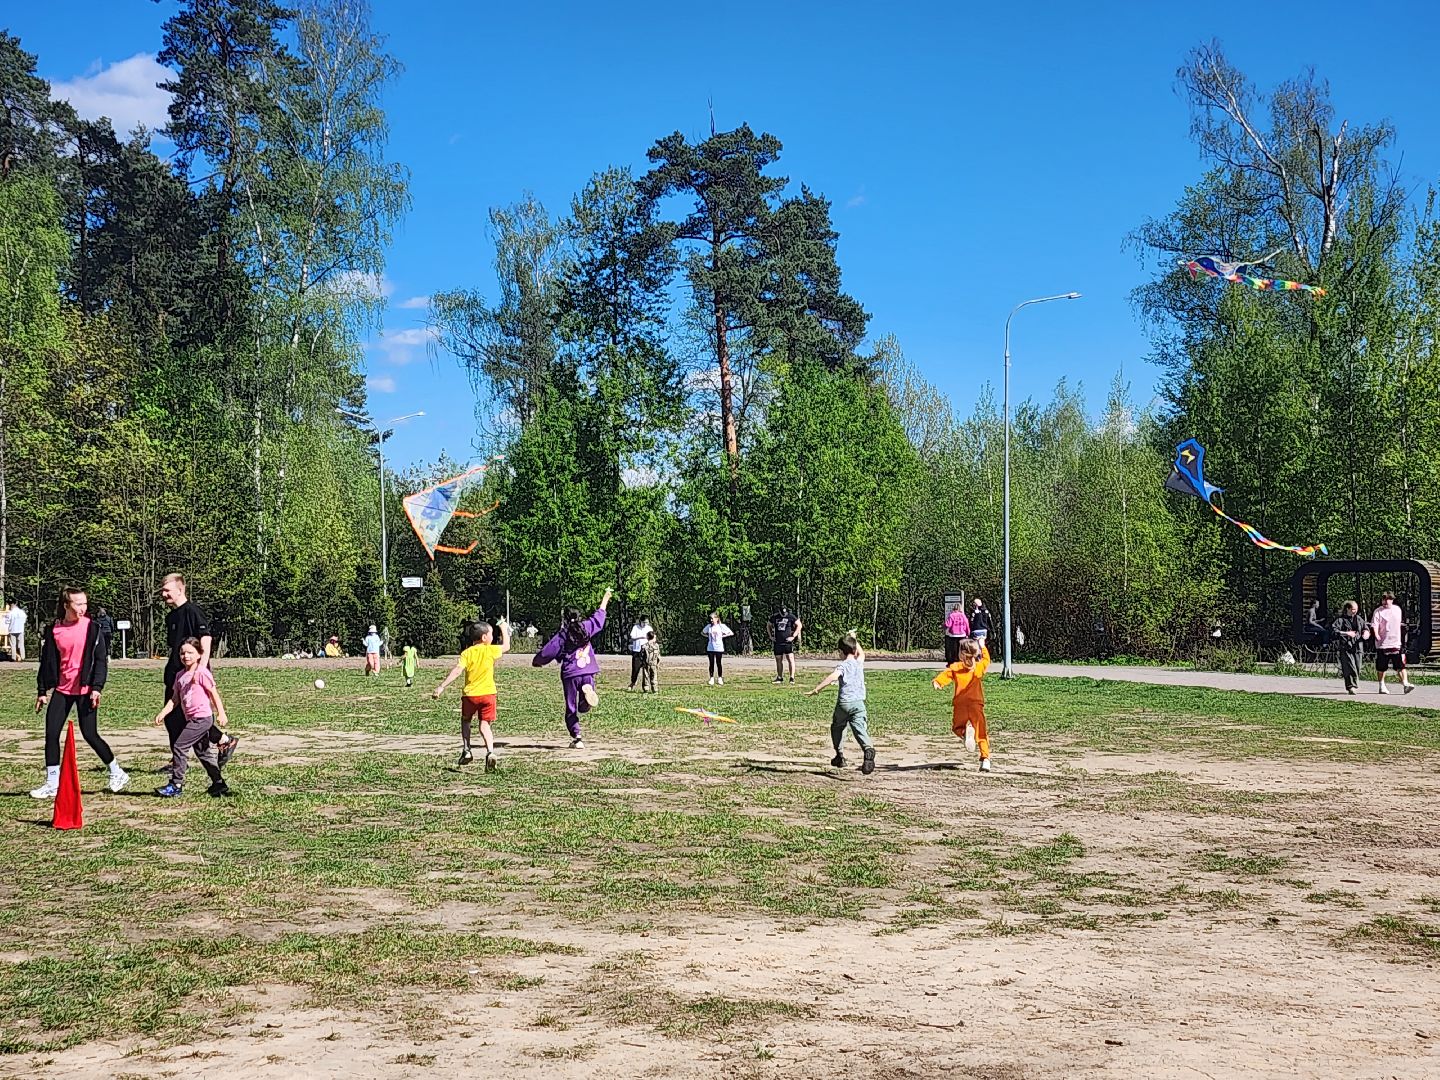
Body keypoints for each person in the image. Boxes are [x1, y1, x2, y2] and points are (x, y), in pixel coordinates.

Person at [31, 587, 129, 798]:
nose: (83, 608)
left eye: (85, 603)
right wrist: (41, 690)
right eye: (78, 604)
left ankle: (117, 771)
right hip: (62, 689)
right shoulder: (54, 629)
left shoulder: (92, 629)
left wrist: (97, 689)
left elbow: (101, 661)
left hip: (85, 690)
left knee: (90, 734)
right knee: (51, 734)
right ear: (66, 605)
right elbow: (46, 662)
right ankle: (52, 782)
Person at [160, 574, 237, 769]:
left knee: (194, 716)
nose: (163, 594)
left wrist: (200, 669)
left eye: (167, 590)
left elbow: (206, 639)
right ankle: (221, 741)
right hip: (177, 674)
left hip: (193, 676)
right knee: (174, 718)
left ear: (180, 590)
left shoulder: (193, 611)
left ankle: (219, 742)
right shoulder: (171, 617)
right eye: (163, 590)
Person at [532, 589, 612, 749]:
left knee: (571, 706)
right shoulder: (587, 627)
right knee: (583, 704)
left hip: (571, 673)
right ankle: (586, 698)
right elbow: (599, 617)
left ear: (565, 619)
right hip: (588, 669)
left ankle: (577, 737)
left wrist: (538, 661)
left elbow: (549, 651)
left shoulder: (563, 635)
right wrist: (605, 598)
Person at [153, 637, 231, 798]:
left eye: (190, 652)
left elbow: (213, 694)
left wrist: (221, 713)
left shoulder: (201, 673)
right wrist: (163, 712)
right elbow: (175, 699)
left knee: (180, 746)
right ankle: (218, 783)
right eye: (182, 653)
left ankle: (176, 784)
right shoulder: (180, 675)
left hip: (202, 719)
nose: (186, 656)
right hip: (192, 719)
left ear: (199, 655)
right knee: (202, 752)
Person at [434, 618, 511, 771]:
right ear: (484, 638)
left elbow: (457, 670)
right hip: (489, 694)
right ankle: (490, 752)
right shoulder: (490, 650)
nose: (492, 637)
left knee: (466, 721)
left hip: (470, 695)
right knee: (484, 725)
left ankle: (467, 749)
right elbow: (507, 646)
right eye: (491, 634)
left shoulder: (467, 653)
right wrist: (503, 628)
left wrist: (442, 686)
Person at [805, 632, 876, 775]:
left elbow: (832, 677)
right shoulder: (859, 662)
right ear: (855, 650)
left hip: (844, 703)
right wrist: (854, 637)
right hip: (859, 703)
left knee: (837, 727)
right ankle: (868, 749)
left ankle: (840, 755)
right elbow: (861, 653)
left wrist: (817, 689)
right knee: (860, 728)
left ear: (840, 652)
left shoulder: (843, 666)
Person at [934, 638, 993, 772]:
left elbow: (946, 675)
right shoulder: (978, 667)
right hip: (976, 705)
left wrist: (938, 682)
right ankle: (985, 759)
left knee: (956, 728)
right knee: (981, 732)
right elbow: (986, 659)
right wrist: (983, 647)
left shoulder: (956, 667)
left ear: (961, 654)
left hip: (960, 704)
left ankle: (965, 733)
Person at [1371, 591, 1414, 695]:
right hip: (1383, 644)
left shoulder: (1397, 609)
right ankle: (1382, 685)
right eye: (1384, 599)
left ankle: (1405, 684)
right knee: (1382, 666)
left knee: (1400, 665)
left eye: (1388, 599)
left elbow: (1398, 623)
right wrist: (1376, 634)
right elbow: (1374, 625)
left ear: (1392, 600)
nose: (1385, 602)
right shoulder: (1378, 611)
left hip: (1396, 643)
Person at [1331, 601, 1370, 696]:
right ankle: (1351, 686)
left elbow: (1365, 628)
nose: (1355, 611)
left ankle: (1354, 684)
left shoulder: (1359, 619)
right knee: (1349, 667)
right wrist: (1346, 633)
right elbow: (1334, 631)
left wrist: (1366, 633)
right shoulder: (1341, 620)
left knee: (1357, 667)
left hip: (1357, 647)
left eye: (1356, 609)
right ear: (1348, 609)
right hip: (1346, 647)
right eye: (1353, 609)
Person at [769, 605, 803, 684]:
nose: (783, 615)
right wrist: (771, 636)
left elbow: (799, 625)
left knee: (790, 659)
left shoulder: (790, 616)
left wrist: (793, 636)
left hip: (787, 641)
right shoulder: (775, 617)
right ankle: (779, 677)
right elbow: (768, 625)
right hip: (778, 642)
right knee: (778, 659)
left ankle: (792, 678)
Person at [703, 611, 733, 686]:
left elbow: (730, 633)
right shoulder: (709, 626)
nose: (711, 620)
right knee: (711, 663)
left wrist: (722, 636)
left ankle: (720, 678)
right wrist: (708, 637)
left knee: (718, 663)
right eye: (710, 619)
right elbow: (703, 632)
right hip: (710, 648)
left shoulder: (721, 626)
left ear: (717, 619)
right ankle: (711, 678)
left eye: (712, 618)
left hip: (719, 647)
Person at [627, 614, 652, 690]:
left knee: (646, 669)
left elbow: (653, 638)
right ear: (640, 621)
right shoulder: (635, 628)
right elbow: (632, 638)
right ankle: (633, 682)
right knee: (635, 668)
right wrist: (640, 637)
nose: (645, 624)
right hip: (637, 650)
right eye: (644, 622)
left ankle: (646, 685)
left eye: (647, 623)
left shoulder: (649, 628)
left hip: (646, 650)